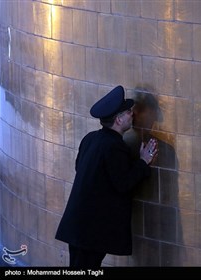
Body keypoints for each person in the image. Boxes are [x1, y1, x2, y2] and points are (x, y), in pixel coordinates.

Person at [55, 85, 158, 268]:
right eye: (128, 112)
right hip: (91, 232)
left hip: (78, 227)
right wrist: (143, 162)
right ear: (118, 120)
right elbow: (123, 184)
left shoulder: (91, 138)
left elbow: (81, 168)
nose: (132, 115)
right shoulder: (114, 147)